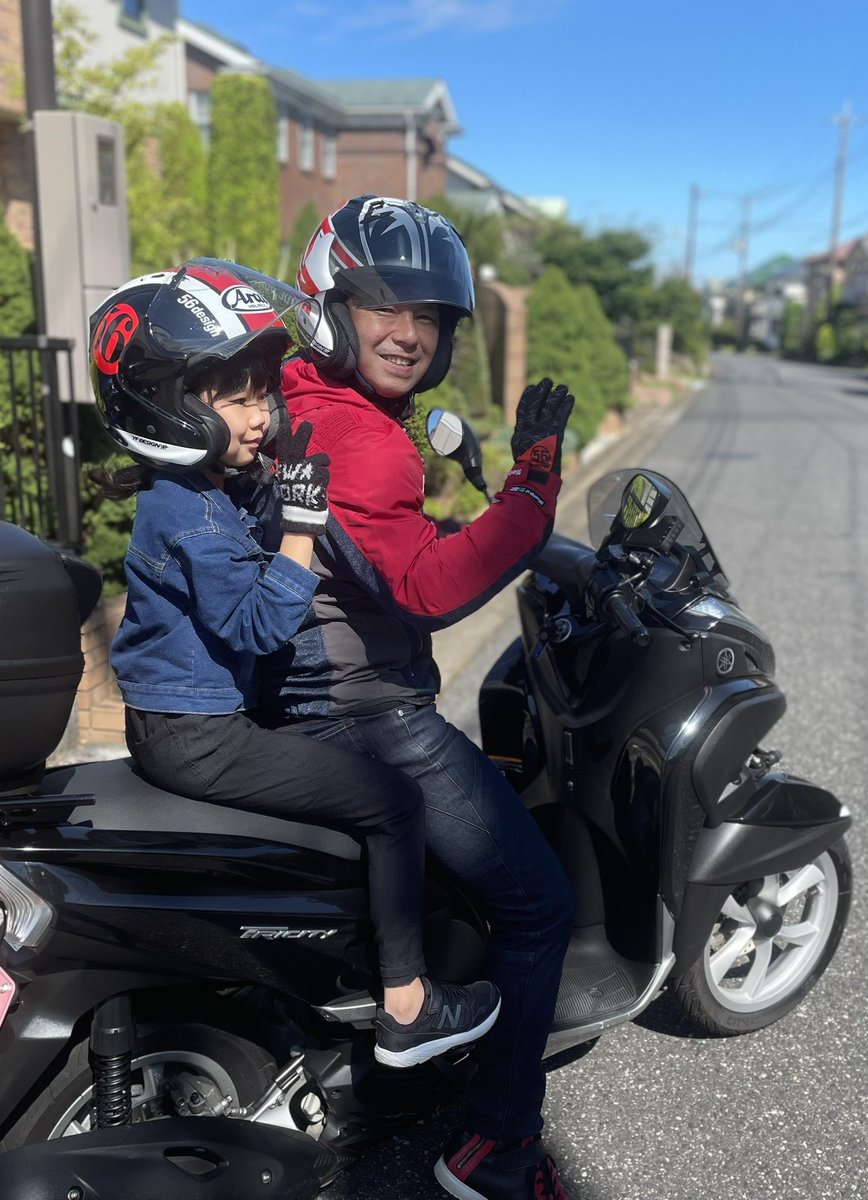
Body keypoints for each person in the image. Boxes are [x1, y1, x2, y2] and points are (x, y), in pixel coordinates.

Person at [88, 259, 500, 1069]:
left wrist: (300, 497)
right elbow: (256, 624)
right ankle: (410, 1007)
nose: (262, 414)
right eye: (237, 397)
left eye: (263, 392)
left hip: (193, 723)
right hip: (198, 736)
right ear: (166, 405)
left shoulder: (200, 488)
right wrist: (302, 531)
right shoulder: (189, 514)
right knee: (390, 803)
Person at [256, 196, 578, 1200]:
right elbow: (428, 589)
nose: (410, 333)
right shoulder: (362, 437)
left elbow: (378, 541)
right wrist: (533, 479)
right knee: (539, 907)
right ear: (330, 302)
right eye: (385, 307)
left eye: (430, 317)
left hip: (296, 686)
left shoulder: (293, 397)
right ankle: (502, 1144)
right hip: (367, 708)